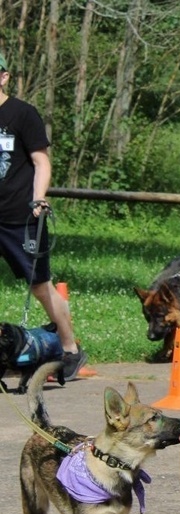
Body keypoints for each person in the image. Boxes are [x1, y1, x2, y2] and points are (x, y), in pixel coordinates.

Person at [0, 51, 87, 381]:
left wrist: (39, 198)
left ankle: (69, 349)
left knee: (41, 287)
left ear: (4, 77)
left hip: (19, 217)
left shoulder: (23, 114)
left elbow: (41, 162)